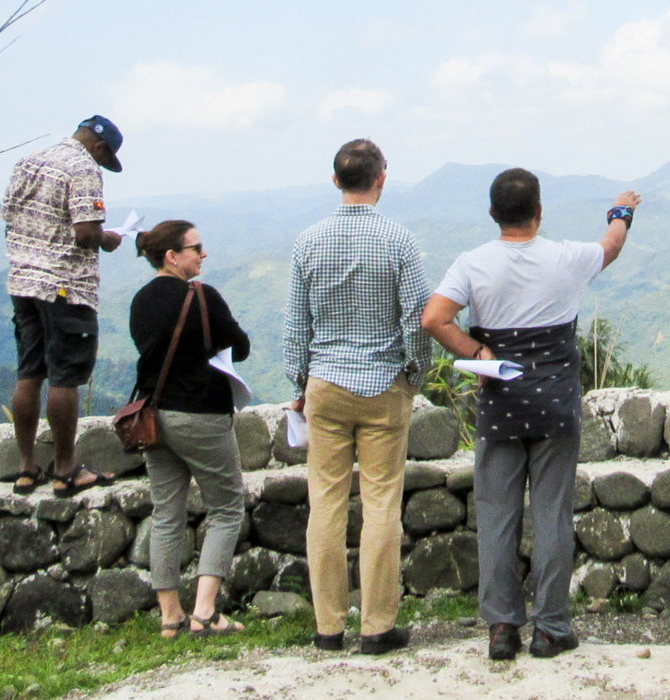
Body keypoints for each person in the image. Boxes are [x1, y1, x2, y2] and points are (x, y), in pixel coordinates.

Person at [421, 168, 642, 661]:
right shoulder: (567, 258)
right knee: (552, 516)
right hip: (556, 407)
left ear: (492, 213)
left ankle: (502, 628)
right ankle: (551, 627)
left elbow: (434, 318)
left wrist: (477, 351)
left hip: (500, 408)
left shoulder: (472, 264)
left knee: (497, 517)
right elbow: (611, 245)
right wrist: (621, 213)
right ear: (540, 212)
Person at [283, 139, 432, 655]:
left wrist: (298, 385)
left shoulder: (308, 241)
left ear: (335, 180)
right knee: (381, 502)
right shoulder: (399, 240)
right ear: (381, 179)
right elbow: (417, 319)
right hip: (384, 385)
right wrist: (414, 376)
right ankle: (376, 627)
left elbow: (295, 326)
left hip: (325, 385)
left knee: (324, 503)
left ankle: (328, 627)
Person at [129, 220, 253, 639]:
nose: (204, 254)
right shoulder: (202, 296)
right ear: (172, 256)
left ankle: (170, 615)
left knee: (166, 512)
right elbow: (241, 346)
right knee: (227, 507)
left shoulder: (140, 300)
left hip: (153, 416)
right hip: (200, 413)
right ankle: (205, 610)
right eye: (197, 248)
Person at [0, 115, 127, 498]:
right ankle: (66, 470)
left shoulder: (28, 162)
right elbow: (86, 233)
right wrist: (108, 239)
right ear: (99, 147)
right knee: (64, 377)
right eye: (105, 158)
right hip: (65, 287)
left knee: (29, 373)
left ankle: (26, 469)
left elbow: (8, 218)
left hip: (22, 282)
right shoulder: (84, 168)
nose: (102, 165)